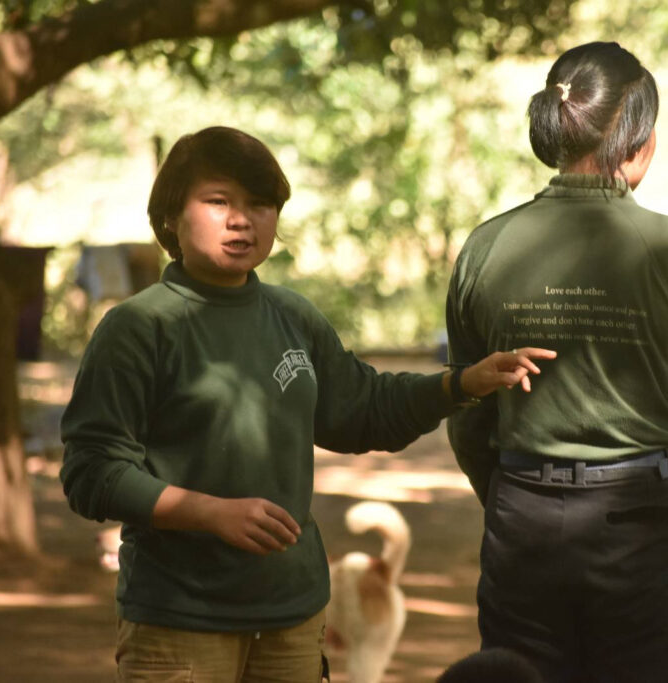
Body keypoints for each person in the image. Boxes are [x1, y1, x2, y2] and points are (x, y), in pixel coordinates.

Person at [59, 126, 555, 683]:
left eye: (260, 204)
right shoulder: (137, 328)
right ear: (171, 216)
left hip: (291, 617)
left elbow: (361, 408)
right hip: (179, 622)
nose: (241, 219)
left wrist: (461, 383)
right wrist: (210, 512)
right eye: (218, 201)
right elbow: (91, 471)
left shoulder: (292, 317)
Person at [445, 42, 668, 682]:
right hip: (651, 520)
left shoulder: (485, 248)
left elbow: (467, 408)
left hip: (523, 517)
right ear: (640, 141)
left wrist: (509, 494)